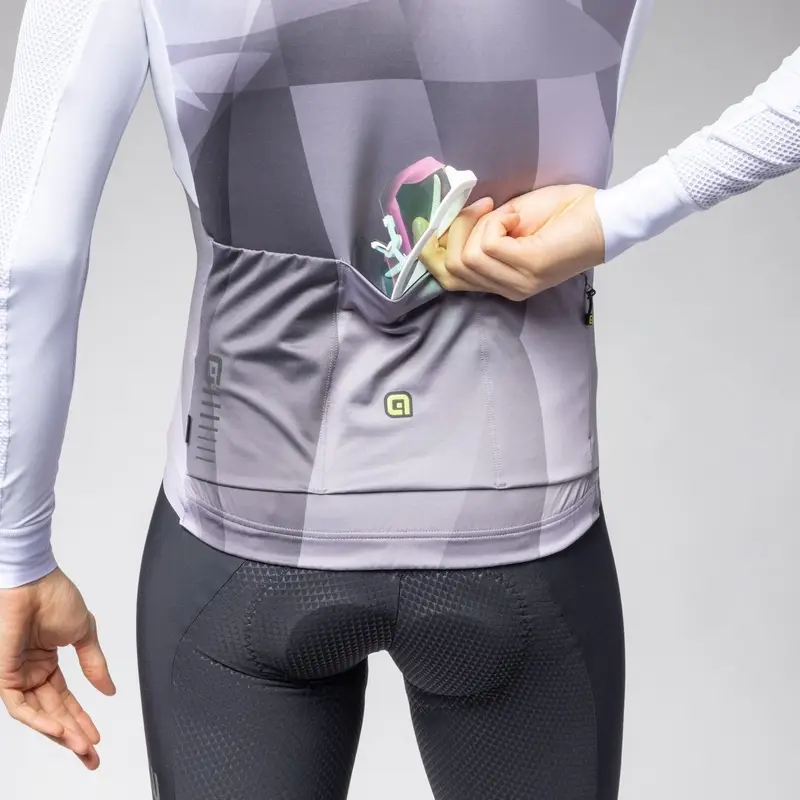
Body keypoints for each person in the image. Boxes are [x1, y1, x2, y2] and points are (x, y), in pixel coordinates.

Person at [0, 0, 797, 797]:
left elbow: (26, 256)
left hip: (244, 525)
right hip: (519, 528)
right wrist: (616, 219)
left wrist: (17, 550)